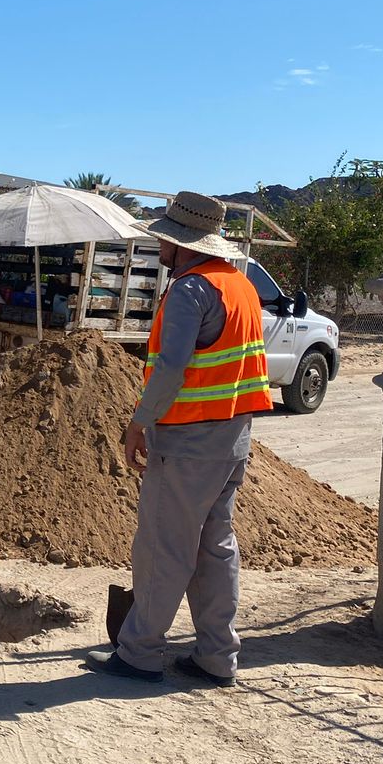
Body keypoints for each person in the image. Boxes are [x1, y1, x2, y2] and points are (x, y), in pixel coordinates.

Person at [86, 191, 271, 687]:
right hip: (232, 437)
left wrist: (138, 422)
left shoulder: (189, 290)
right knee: (215, 547)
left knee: (163, 548)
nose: (158, 247)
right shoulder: (241, 286)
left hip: (188, 439)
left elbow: (170, 370)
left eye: (163, 240)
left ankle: (141, 652)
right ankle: (217, 656)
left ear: (181, 243)